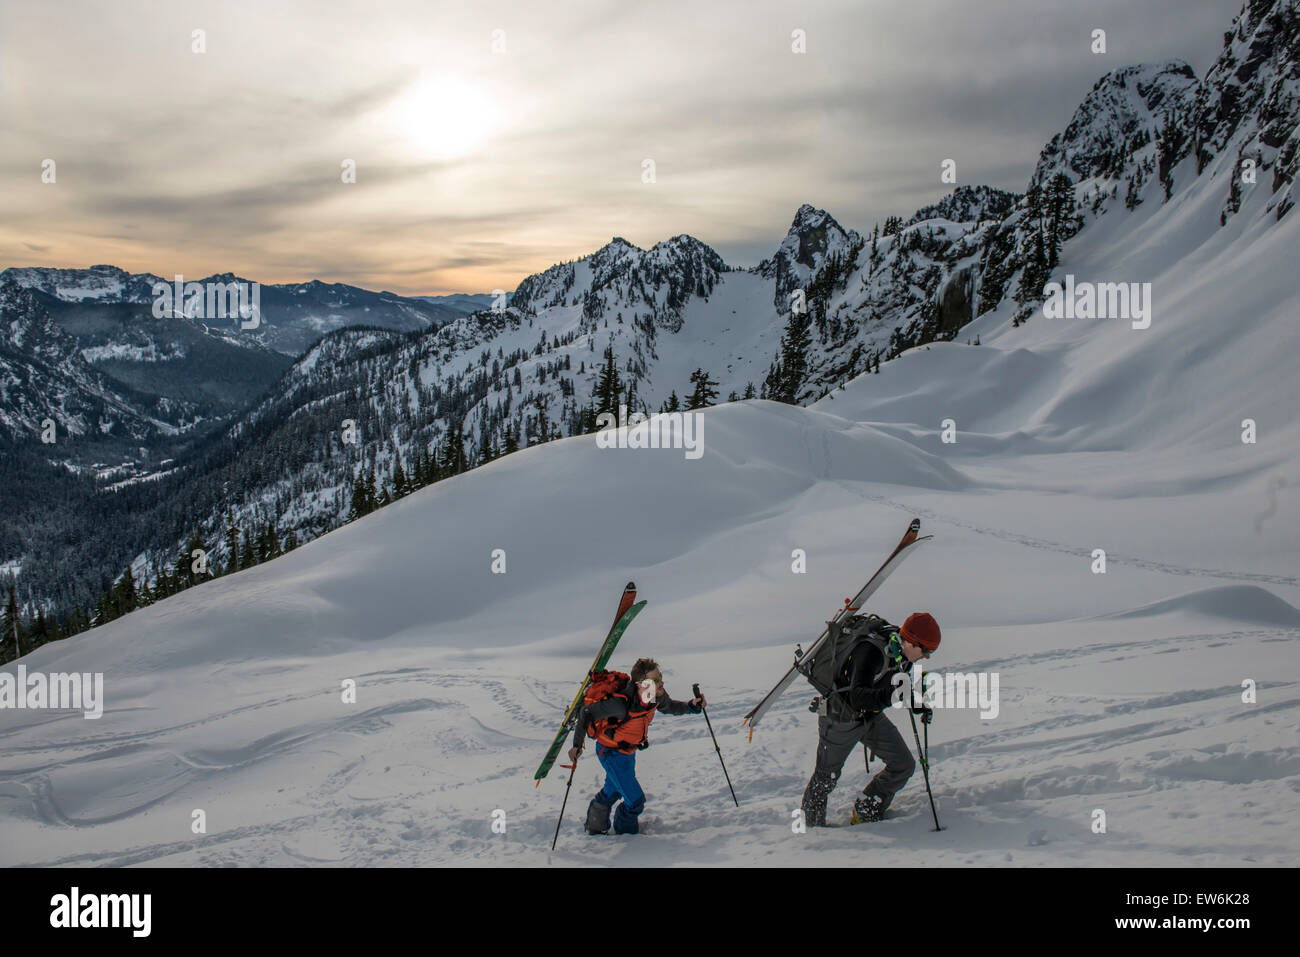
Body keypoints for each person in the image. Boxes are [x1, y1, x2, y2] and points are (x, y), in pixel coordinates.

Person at [800, 612, 940, 826]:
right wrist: (888, 697)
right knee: (825, 778)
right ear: (911, 642)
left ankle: (867, 807)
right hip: (840, 718)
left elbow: (898, 682)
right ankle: (811, 827)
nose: (927, 656)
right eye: (926, 651)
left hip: (870, 717)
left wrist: (918, 706)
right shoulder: (871, 652)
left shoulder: (900, 651)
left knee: (903, 765)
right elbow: (857, 697)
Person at [567, 657, 705, 835]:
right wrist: (577, 745)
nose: (661, 682)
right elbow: (586, 712)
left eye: (660, 676)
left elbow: (669, 707)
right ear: (641, 684)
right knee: (635, 800)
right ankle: (627, 835)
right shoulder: (621, 704)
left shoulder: (655, 696)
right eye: (654, 680)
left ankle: (595, 826)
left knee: (615, 789)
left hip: (628, 752)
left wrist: (690, 706)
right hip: (610, 753)